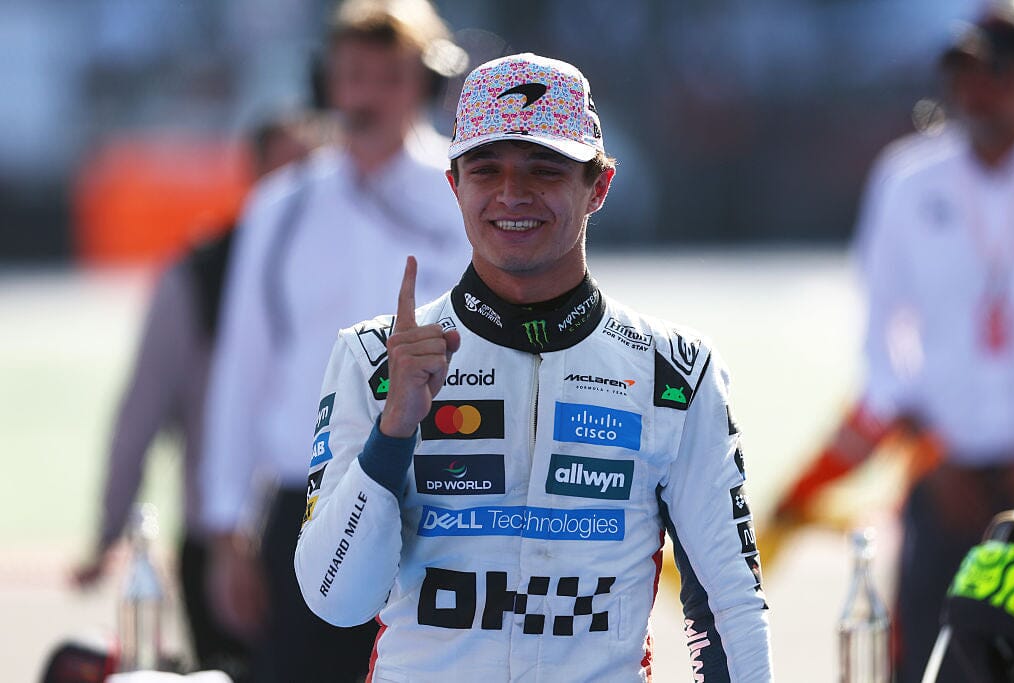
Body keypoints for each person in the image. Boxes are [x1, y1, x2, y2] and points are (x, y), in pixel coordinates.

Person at [294, 52, 773, 682]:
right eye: (485, 169)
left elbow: (728, 604)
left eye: (544, 170)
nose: (511, 194)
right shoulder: (375, 358)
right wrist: (393, 432)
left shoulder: (674, 372)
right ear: (454, 185)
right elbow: (336, 599)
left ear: (597, 187)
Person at [198, 1, 470, 681]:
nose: (368, 95)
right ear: (326, 84)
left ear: (426, 84)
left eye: (389, 76)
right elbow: (242, 368)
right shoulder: (280, 205)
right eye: (353, 75)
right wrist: (226, 531)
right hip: (308, 498)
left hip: (440, 494)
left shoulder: (466, 193)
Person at [771, 6, 1014, 682]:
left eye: (996, 71)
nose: (976, 89)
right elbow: (881, 334)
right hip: (941, 478)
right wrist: (930, 451)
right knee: (922, 661)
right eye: (962, 72)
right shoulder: (909, 179)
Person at [71, 113, 318, 681]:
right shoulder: (196, 276)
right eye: (286, 172)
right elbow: (141, 412)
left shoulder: (355, 264)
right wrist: (109, 530)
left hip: (338, 533)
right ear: (255, 176)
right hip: (221, 537)